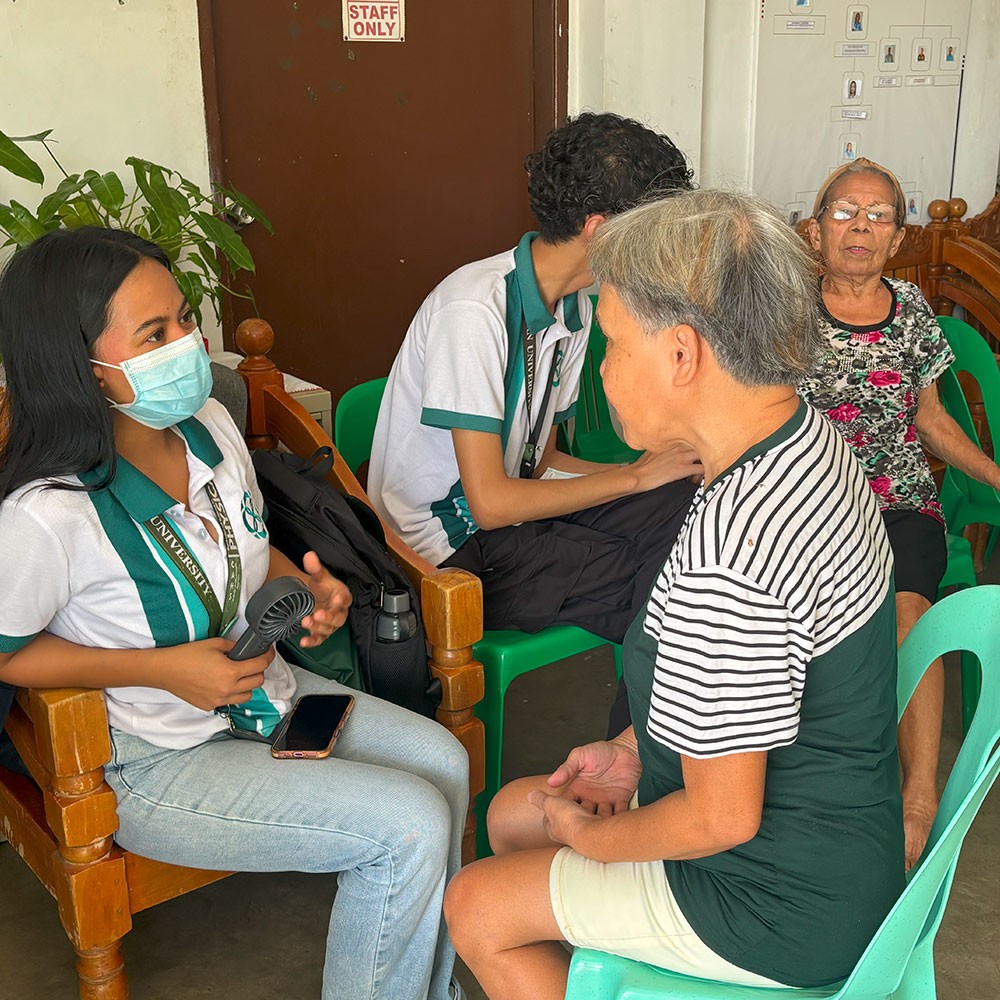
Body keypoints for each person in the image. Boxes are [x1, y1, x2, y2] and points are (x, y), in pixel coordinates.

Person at [444, 189, 904, 997]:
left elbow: (721, 820)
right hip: (841, 837)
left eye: (614, 344)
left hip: (774, 901)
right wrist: (629, 751)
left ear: (683, 355)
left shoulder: (731, 557)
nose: (604, 371)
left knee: (476, 903)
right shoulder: (806, 442)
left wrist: (583, 838)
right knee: (515, 813)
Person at [0, 227, 469, 1000]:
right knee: (407, 826)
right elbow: (9, 652)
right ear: (77, 365)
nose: (188, 345)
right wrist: (157, 671)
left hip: (270, 700)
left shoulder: (210, 431)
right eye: (155, 334)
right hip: (157, 758)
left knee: (444, 766)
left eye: (185, 318)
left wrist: (307, 589)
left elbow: (249, 551)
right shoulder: (46, 516)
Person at [369, 112, 700, 645]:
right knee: (665, 583)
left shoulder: (577, 307)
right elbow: (491, 503)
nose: (662, 250)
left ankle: (645, 722)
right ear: (601, 230)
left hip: (508, 519)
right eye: (653, 232)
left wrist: (649, 475)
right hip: (447, 551)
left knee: (686, 504)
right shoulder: (474, 307)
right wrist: (633, 478)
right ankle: (642, 730)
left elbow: (539, 462)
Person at [802, 158, 1000, 868]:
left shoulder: (912, 309)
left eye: (879, 215)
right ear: (815, 230)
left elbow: (933, 420)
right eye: (845, 211)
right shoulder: (785, 306)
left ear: (897, 238)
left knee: (910, 607)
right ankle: (811, 783)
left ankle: (919, 796)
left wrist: (997, 477)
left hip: (898, 503)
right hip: (805, 506)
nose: (861, 226)